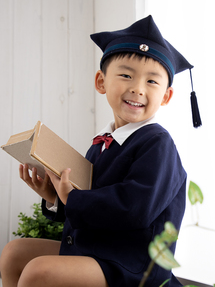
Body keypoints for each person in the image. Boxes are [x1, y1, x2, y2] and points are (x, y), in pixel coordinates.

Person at [0, 15, 200, 287]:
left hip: (135, 263)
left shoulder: (158, 144)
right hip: (99, 250)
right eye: (126, 75)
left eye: (152, 82)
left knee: (39, 271)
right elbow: (89, 201)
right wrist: (55, 197)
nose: (137, 88)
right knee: (14, 253)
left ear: (165, 96)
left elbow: (134, 208)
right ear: (101, 82)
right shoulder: (102, 143)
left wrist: (73, 199)